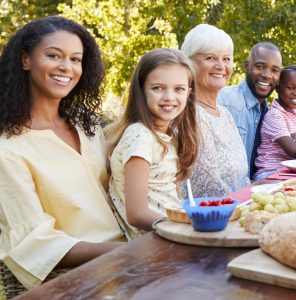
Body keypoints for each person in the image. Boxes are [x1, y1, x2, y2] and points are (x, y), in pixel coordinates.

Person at [0, 16, 125, 290]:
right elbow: (34, 242)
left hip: (129, 264)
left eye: (76, 59)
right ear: (25, 60)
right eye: (54, 55)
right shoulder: (8, 149)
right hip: (77, 279)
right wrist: (123, 253)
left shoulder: (87, 126)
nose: (66, 67)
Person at [106, 48, 200, 240]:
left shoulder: (168, 136)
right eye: (158, 88)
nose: (169, 97)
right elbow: (137, 213)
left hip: (175, 230)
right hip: (156, 241)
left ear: (189, 93)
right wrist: (182, 230)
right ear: (142, 90)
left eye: (179, 89)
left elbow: (169, 199)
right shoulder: (139, 137)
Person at [180, 24, 249, 197]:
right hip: (213, 217)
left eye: (226, 59)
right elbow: (209, 187)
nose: (220, 66)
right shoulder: (190, 115)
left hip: (239, 208)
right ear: (189, 63)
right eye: (210, 58)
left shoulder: (224, 113)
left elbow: (241, 177)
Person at [218, 42, 282, 180]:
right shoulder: (224, 100)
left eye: (274, 70)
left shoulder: (270, 114)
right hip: (224, 197)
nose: (267, 75)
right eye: (259, 67)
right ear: (246, 66)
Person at [255, 66, 296, 178]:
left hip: (289, 172)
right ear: (278, 88)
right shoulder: (274, 115)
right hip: (270, 173)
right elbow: (293, 151)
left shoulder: (295, 115)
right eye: (290, 88)